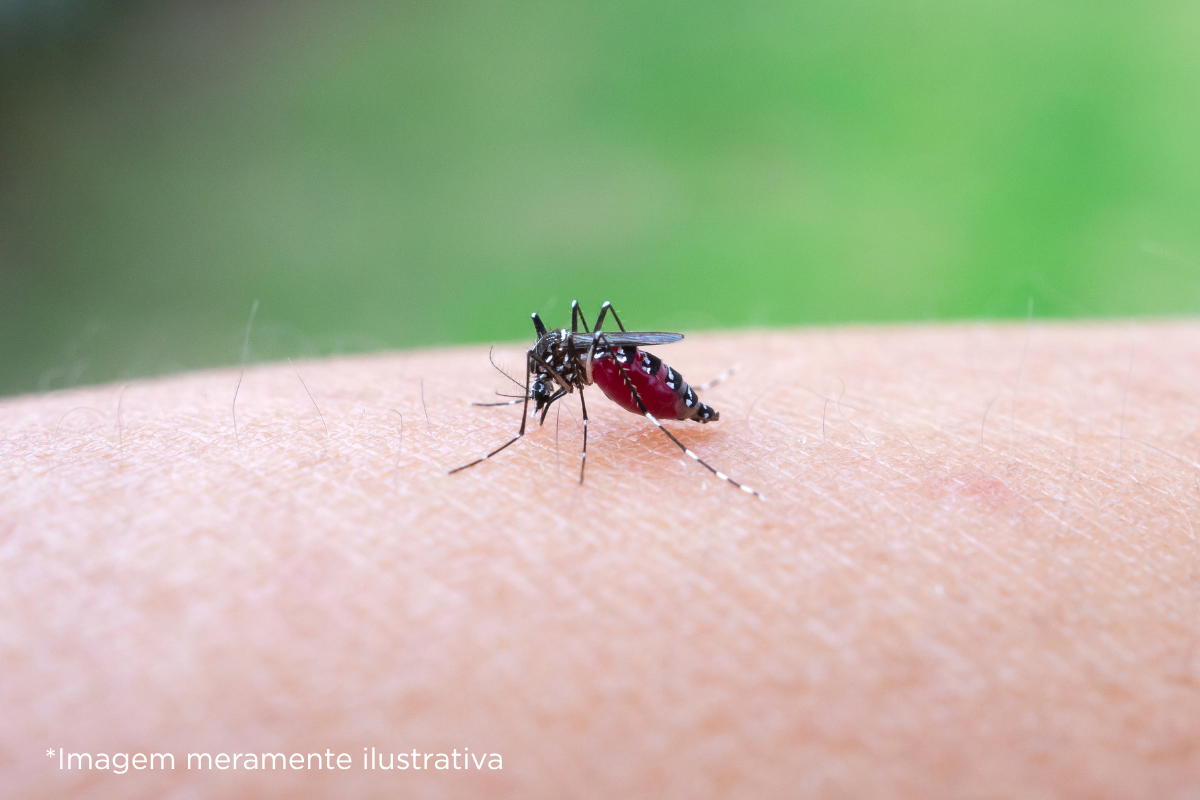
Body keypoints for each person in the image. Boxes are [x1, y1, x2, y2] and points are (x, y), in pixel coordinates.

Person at [6, 322, 1198, 797]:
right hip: (631, 370)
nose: (544, 380)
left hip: (643, 382)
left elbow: (583, 363)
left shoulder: (590, 370)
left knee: (626, 388)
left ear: (564, 370)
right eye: (552, 379)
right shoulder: (561, 353)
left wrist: (606, 407)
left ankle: (685, 437)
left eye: (545, 379)